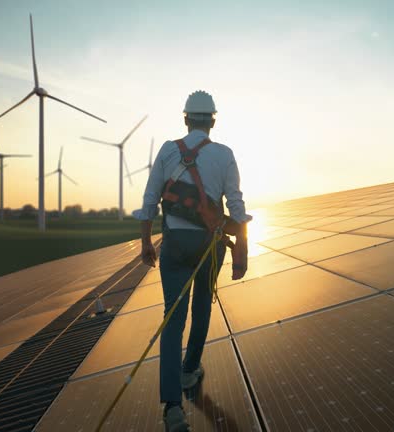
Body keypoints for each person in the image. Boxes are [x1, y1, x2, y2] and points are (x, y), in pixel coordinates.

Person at [132, 90, 251, 432]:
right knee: (202, 307)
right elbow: (237, 206)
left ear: (186, 119)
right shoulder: (225, 155)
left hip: (174, 246)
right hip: (209, 245)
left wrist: (145, 243)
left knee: (172, 318)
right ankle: (189, 370)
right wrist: (240, 253)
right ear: (213, 121)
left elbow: (150, 198)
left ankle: (172, 409)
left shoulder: (169, 150)